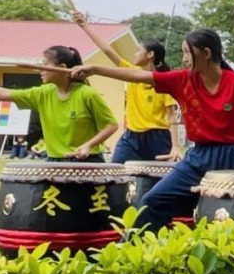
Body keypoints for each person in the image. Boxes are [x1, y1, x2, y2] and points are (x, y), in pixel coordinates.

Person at [71, 29, 234, 233]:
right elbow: (138, 76)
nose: (184, 59)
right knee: (153, 200)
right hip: (197, 158)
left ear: (206, 53)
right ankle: (136, 247)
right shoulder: (182, 80)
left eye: (187, 52)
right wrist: (95, 69)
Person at [0, 45, 119, 250]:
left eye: (45, 65)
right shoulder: (43, 93)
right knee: (6, 197)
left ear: (62, 68)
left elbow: (111, 125)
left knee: (91, 216)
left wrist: (88, 145)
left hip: (88, 164)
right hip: (54, 163)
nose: (40, 69)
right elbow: (4, 93)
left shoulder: (87, 95)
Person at [73, 11, 181, 163]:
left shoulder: (163, 81)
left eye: (138, 50)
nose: (134, 54)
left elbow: (171, 116)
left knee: (154, 177)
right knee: (116, 171)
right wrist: (85, 26)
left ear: (150, 54)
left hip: (157, 138)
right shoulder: (131, 73)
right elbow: (107, 50)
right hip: (131, 137)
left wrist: (175, 146)